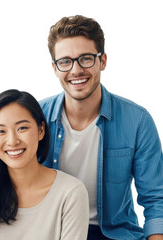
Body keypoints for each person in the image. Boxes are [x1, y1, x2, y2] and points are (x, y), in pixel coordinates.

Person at [40, 15, 163, 239]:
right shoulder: (36, 118)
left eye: (85, 58)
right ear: (55, 68)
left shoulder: (138, 121)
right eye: (65, 61)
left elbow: (156, 199)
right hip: (53, 232)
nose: (76, 70)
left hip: (114, 233)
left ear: (102, 61)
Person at [0, 89, 89, 239]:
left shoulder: (70, 193)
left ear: (41, 130)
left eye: (22, 128)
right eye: (0, 131)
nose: (12, 141)